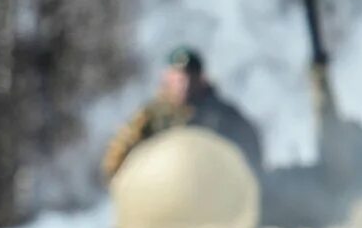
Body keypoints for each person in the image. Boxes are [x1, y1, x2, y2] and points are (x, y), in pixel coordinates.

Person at [102, 46, 263, 180]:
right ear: (168, 78)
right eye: (179, 79)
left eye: (190, 79)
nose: (184, 85)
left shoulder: (222, 114)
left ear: (201, 79)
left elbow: (249, 145)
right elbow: (119, 153)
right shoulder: (150, 115)